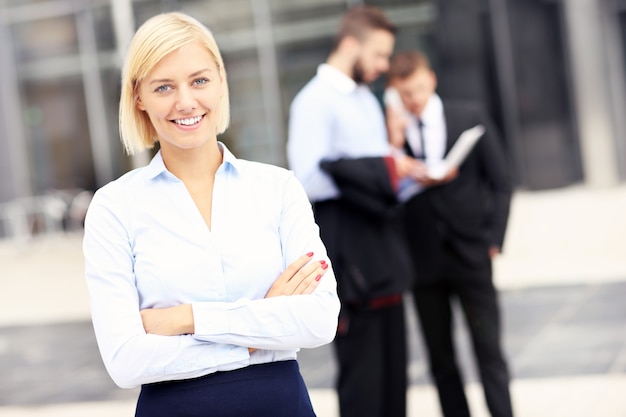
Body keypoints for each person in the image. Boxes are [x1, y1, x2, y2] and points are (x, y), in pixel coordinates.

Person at [82, 12, 340, 417]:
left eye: (199, 80)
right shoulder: (115, 208)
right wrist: (259, 330)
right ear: (138, 97)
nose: (186, 102)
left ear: (221, 80)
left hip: (280, 405)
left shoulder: (278, 189)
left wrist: (186, 318)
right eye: (164, 86)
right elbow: (126, 360)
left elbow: (319, 320)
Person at [287, 6, 417, 417]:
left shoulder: (366, 98)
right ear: (349, 44)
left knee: (395, 379)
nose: (383, 65)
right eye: (378, 55)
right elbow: (306, 181)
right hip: (351, 254)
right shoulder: (313, 101)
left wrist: (394, 163)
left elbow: (379, 167)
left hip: (384, 252)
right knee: (363, 383)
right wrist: (376, 172)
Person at [386, 50, 514, 417]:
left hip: (471, 254)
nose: (415, 99)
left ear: (432, 81)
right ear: (395, 92)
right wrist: (393, 146)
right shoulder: (392, 134)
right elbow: (386, 196)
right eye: (405, 93)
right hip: (423, 261)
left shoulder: (468, 116)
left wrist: (494, 239)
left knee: (489, 349)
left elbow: (501, 182)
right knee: (441, 359)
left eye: (420, 89)